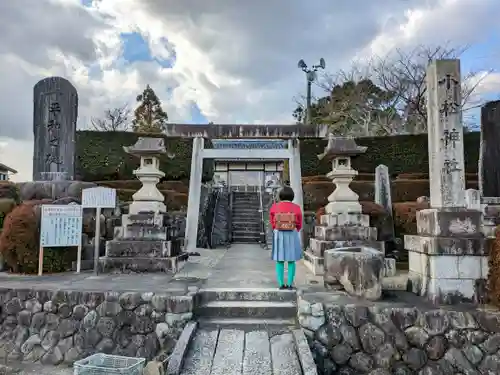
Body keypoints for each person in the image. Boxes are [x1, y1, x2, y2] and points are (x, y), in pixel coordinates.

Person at [269, 186, 303, 290]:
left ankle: (280, 284)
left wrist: (277, 228)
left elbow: (272, 223)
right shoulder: (296, 207)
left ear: (280, 196)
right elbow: (299, 224)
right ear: (292, 196)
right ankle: (289, 284)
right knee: (291, 260)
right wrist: (294, 229)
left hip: (279, 233)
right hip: (292, 233)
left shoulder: (274, 207)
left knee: (280, 260)